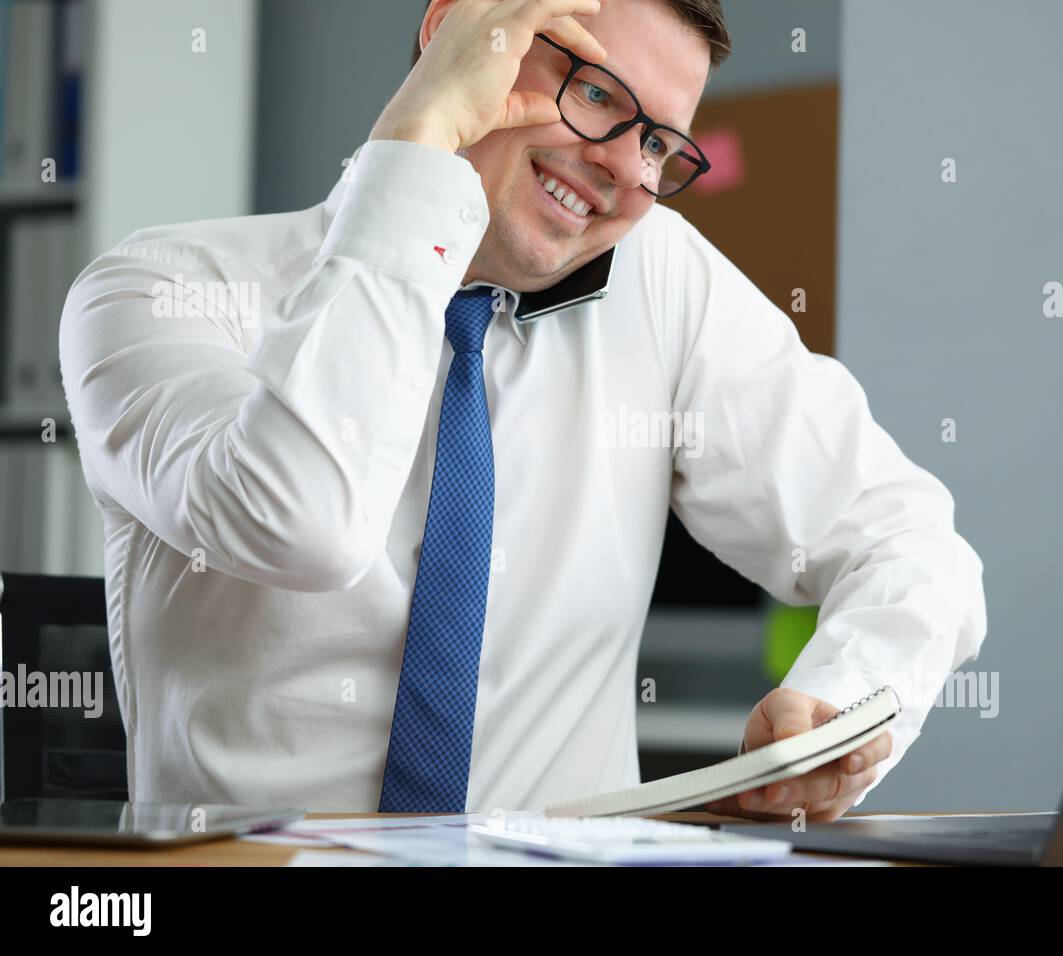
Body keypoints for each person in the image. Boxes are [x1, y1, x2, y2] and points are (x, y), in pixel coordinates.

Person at [59, 0, 986, 820]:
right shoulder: (160, 290)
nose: (628, 170)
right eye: (596, 94)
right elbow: (303, 523)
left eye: (661, 144)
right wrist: (420, 144)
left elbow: (910, 544)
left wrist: (834, 710)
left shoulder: (659, 281)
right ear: (453, 31)